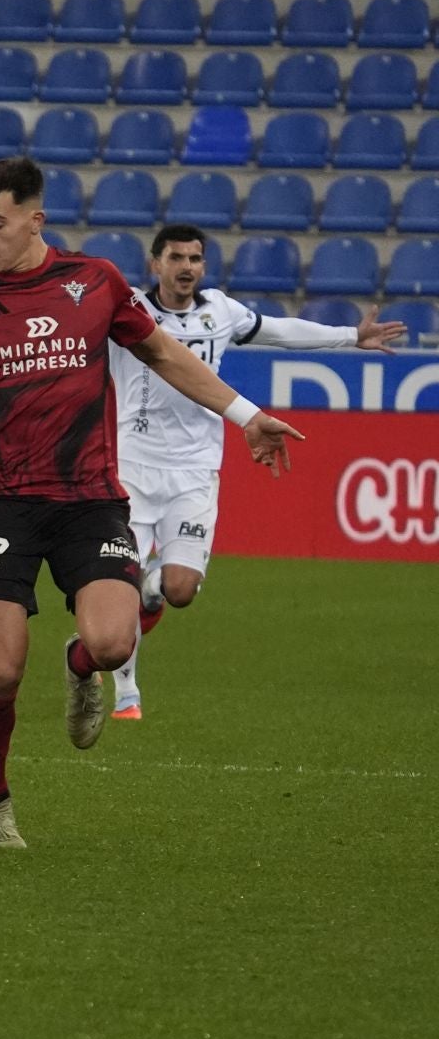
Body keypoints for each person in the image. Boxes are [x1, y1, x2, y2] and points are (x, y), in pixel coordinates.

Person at [0, 157, 301, 848]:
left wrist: (247, 414)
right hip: (1, 501)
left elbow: (164, 354)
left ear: (35, 219)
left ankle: (79, 668)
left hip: (90, 500)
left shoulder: (94, 282)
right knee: (2, 667)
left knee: (111, 641)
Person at [108, 225, 405, 718]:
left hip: (196, 469)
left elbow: (280, 330)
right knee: (118, 588)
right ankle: (126, 692)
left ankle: (152, 591)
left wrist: (350, 335)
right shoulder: (128, 310)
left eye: (195, 258)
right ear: (155, 263)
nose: (186, 267)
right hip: (129, 469)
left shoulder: (219, 311)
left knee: (178, 589)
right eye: (176, 257)